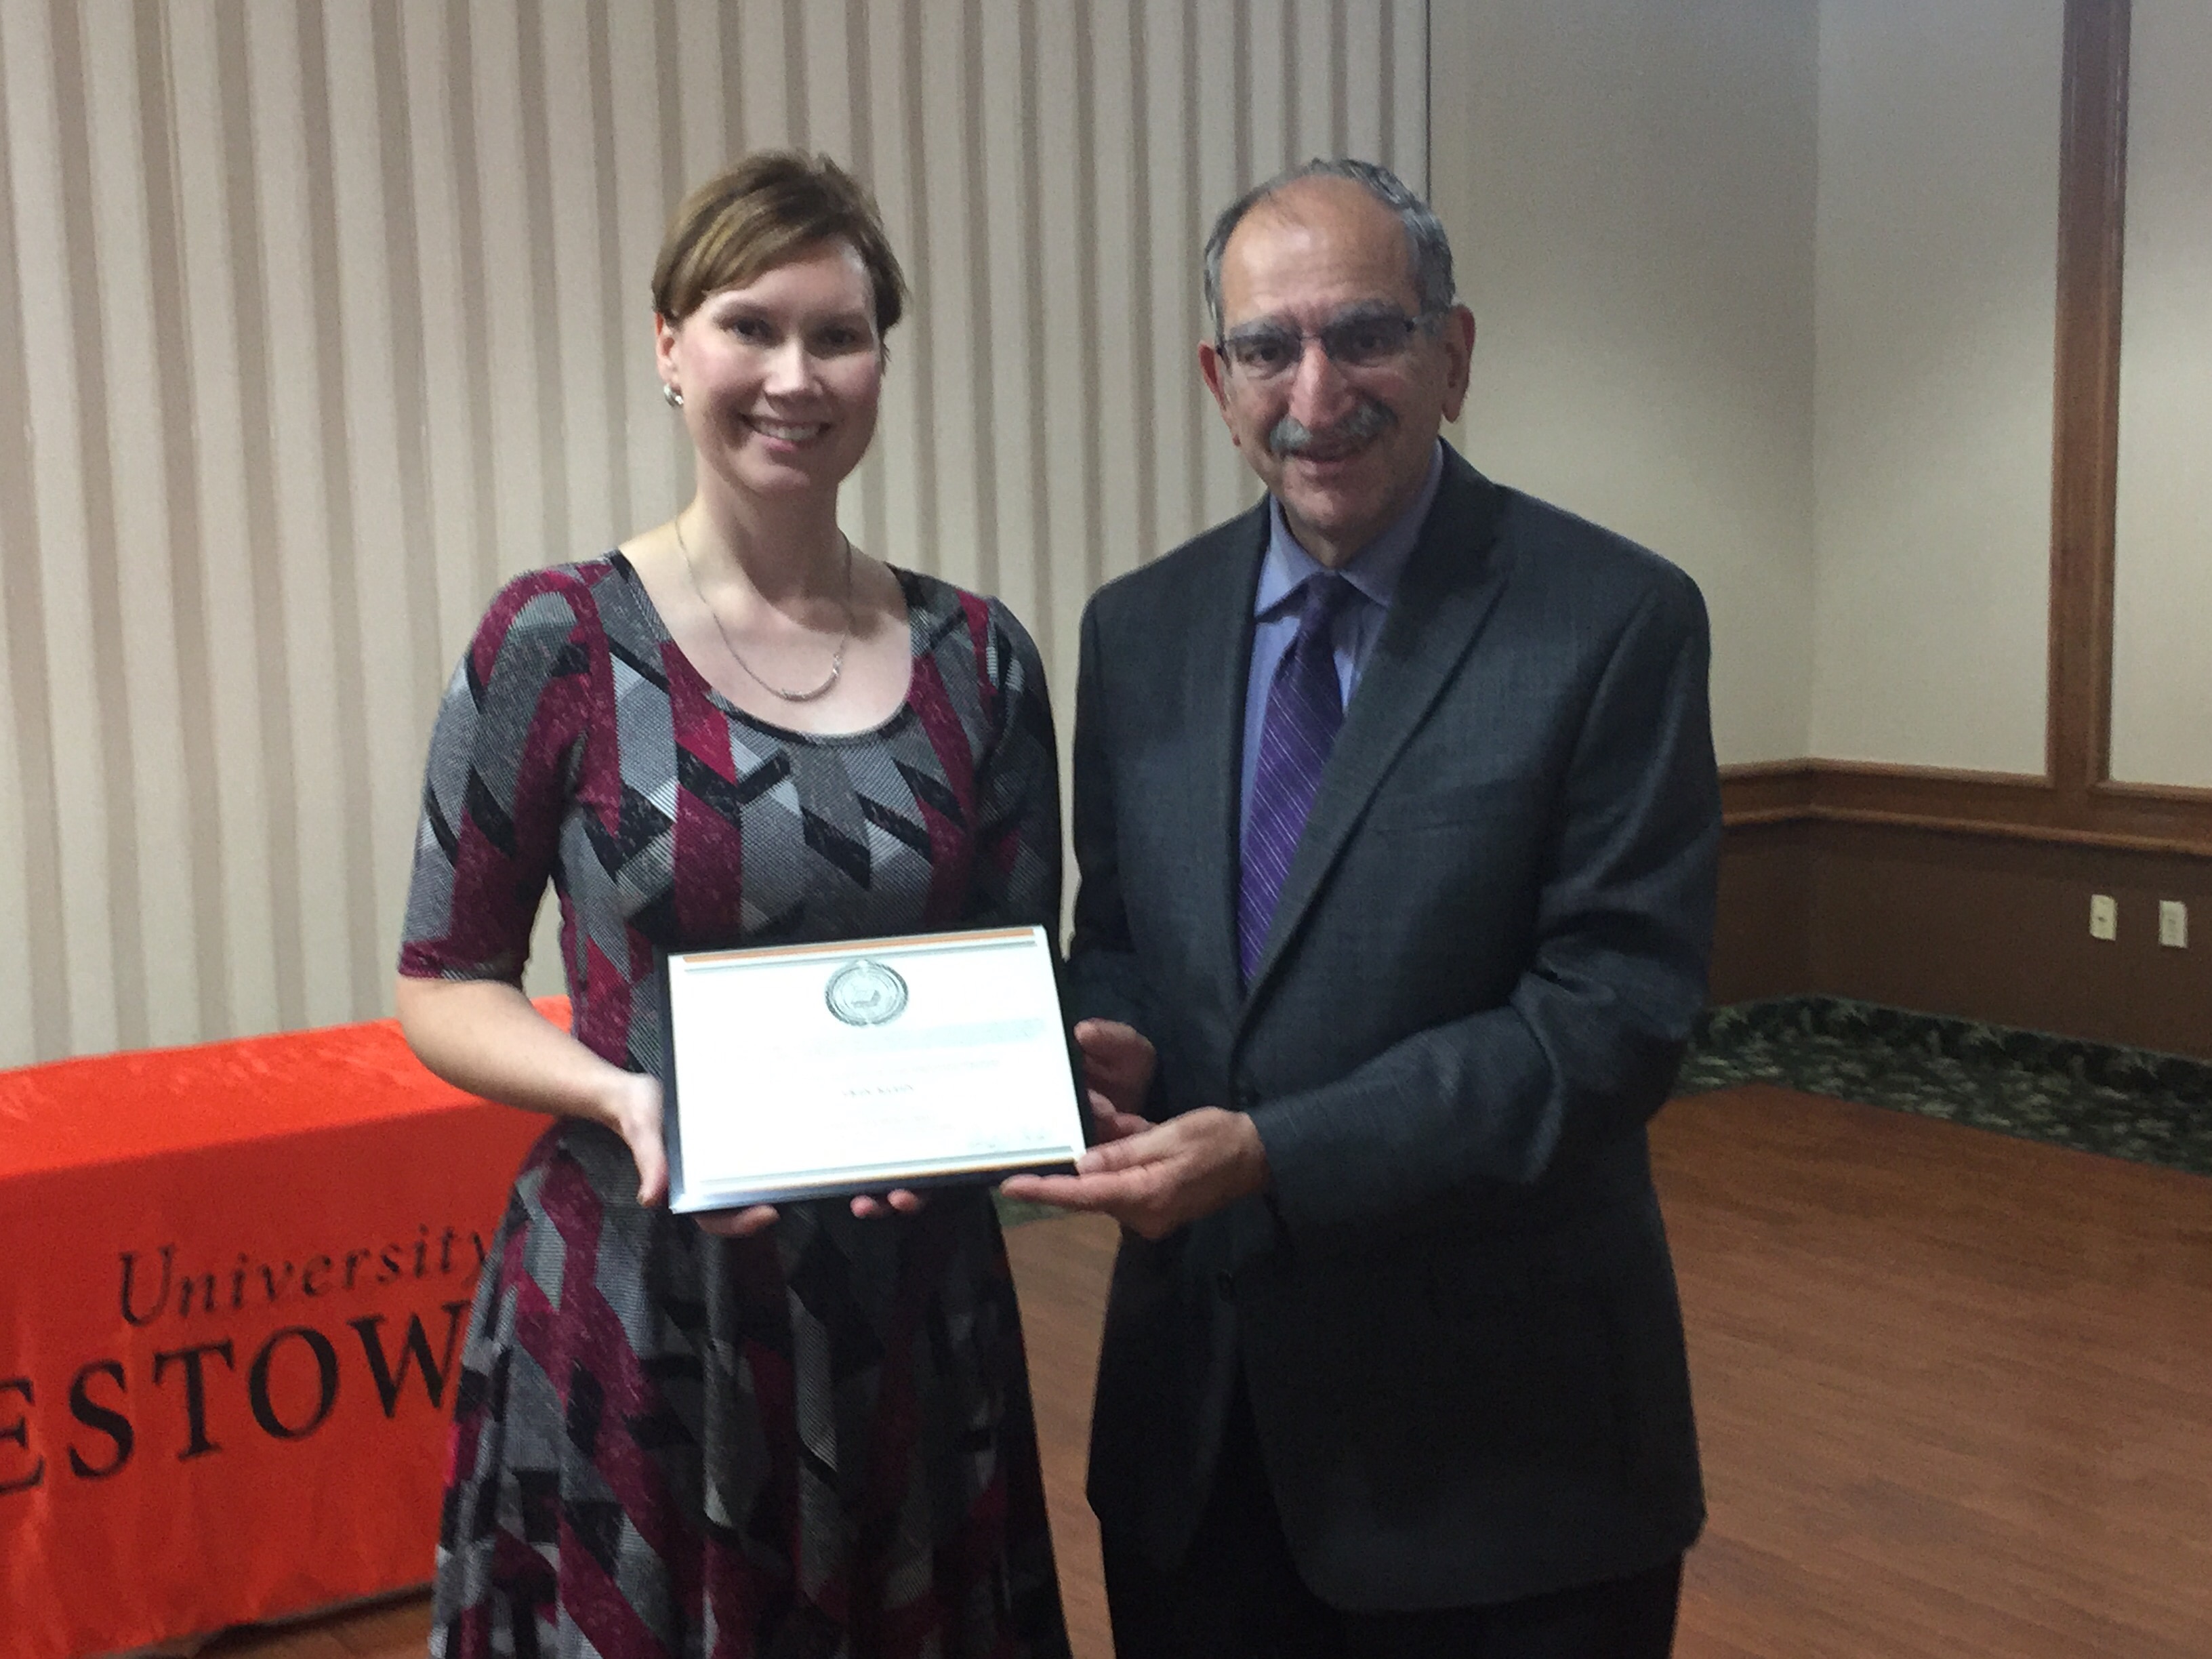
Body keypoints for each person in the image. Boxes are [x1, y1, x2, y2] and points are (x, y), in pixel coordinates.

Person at [1002, 159, 1720, 1656]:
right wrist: (1105, 1036)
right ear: (1221, 383)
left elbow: (1609, 1023)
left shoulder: (1614, 620)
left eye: (1366, 335)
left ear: (1453, 356)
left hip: (1505, 1477)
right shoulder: (1138, 631)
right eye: (1269, 347)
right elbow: (1120, 932)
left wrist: (1275, 1154)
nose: (1316, 393)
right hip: (1199, 1451)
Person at [396, 152, 1069, 1658]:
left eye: (838, 335)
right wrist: (617, 1094)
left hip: (912, 1314)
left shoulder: (981, 657)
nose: (794, 376)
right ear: (669, 346)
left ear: (882, 360)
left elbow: (1021, 971)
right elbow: (442, 981)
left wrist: (993, 1118)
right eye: (749, 326)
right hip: (643, 1302)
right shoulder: (554, 640)